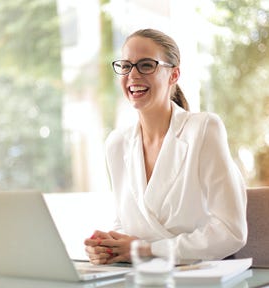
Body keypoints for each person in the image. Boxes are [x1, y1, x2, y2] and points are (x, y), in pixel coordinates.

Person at [84, 28, 248, 265]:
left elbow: (231, 232)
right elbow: (125, 222)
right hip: (143, 276)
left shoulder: (203, 129)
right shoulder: (116, 144)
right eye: (126, 66)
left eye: (146, 65)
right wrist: (109, 246)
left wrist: (146, 249)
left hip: (200, 274)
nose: (133, 75)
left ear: (173, 75)